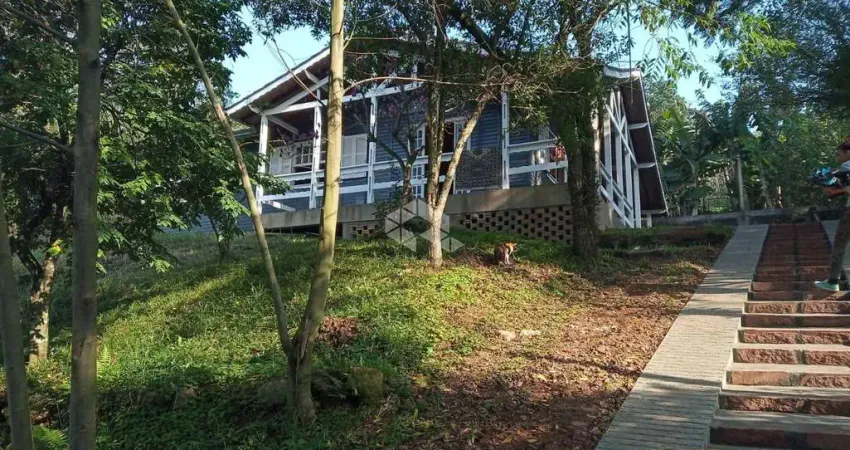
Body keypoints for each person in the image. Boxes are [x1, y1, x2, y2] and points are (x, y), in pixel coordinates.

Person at [815, 138, 850, 292]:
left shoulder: (847, 166)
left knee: (839, 245)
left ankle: (833, 281)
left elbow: (840, 179)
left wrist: (830, 186)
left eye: (838, 154)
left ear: (848, 153)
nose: (837, 158)